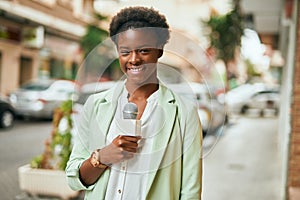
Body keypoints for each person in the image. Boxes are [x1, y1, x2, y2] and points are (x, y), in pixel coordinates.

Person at [66, 6, 202, 200]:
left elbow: (191, 191)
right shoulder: (96, 105)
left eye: (144, 51)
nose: (134, 60)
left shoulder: (183, 112)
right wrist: (103, 157)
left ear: (159, 50)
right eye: (125, 51)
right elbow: (74, 178)